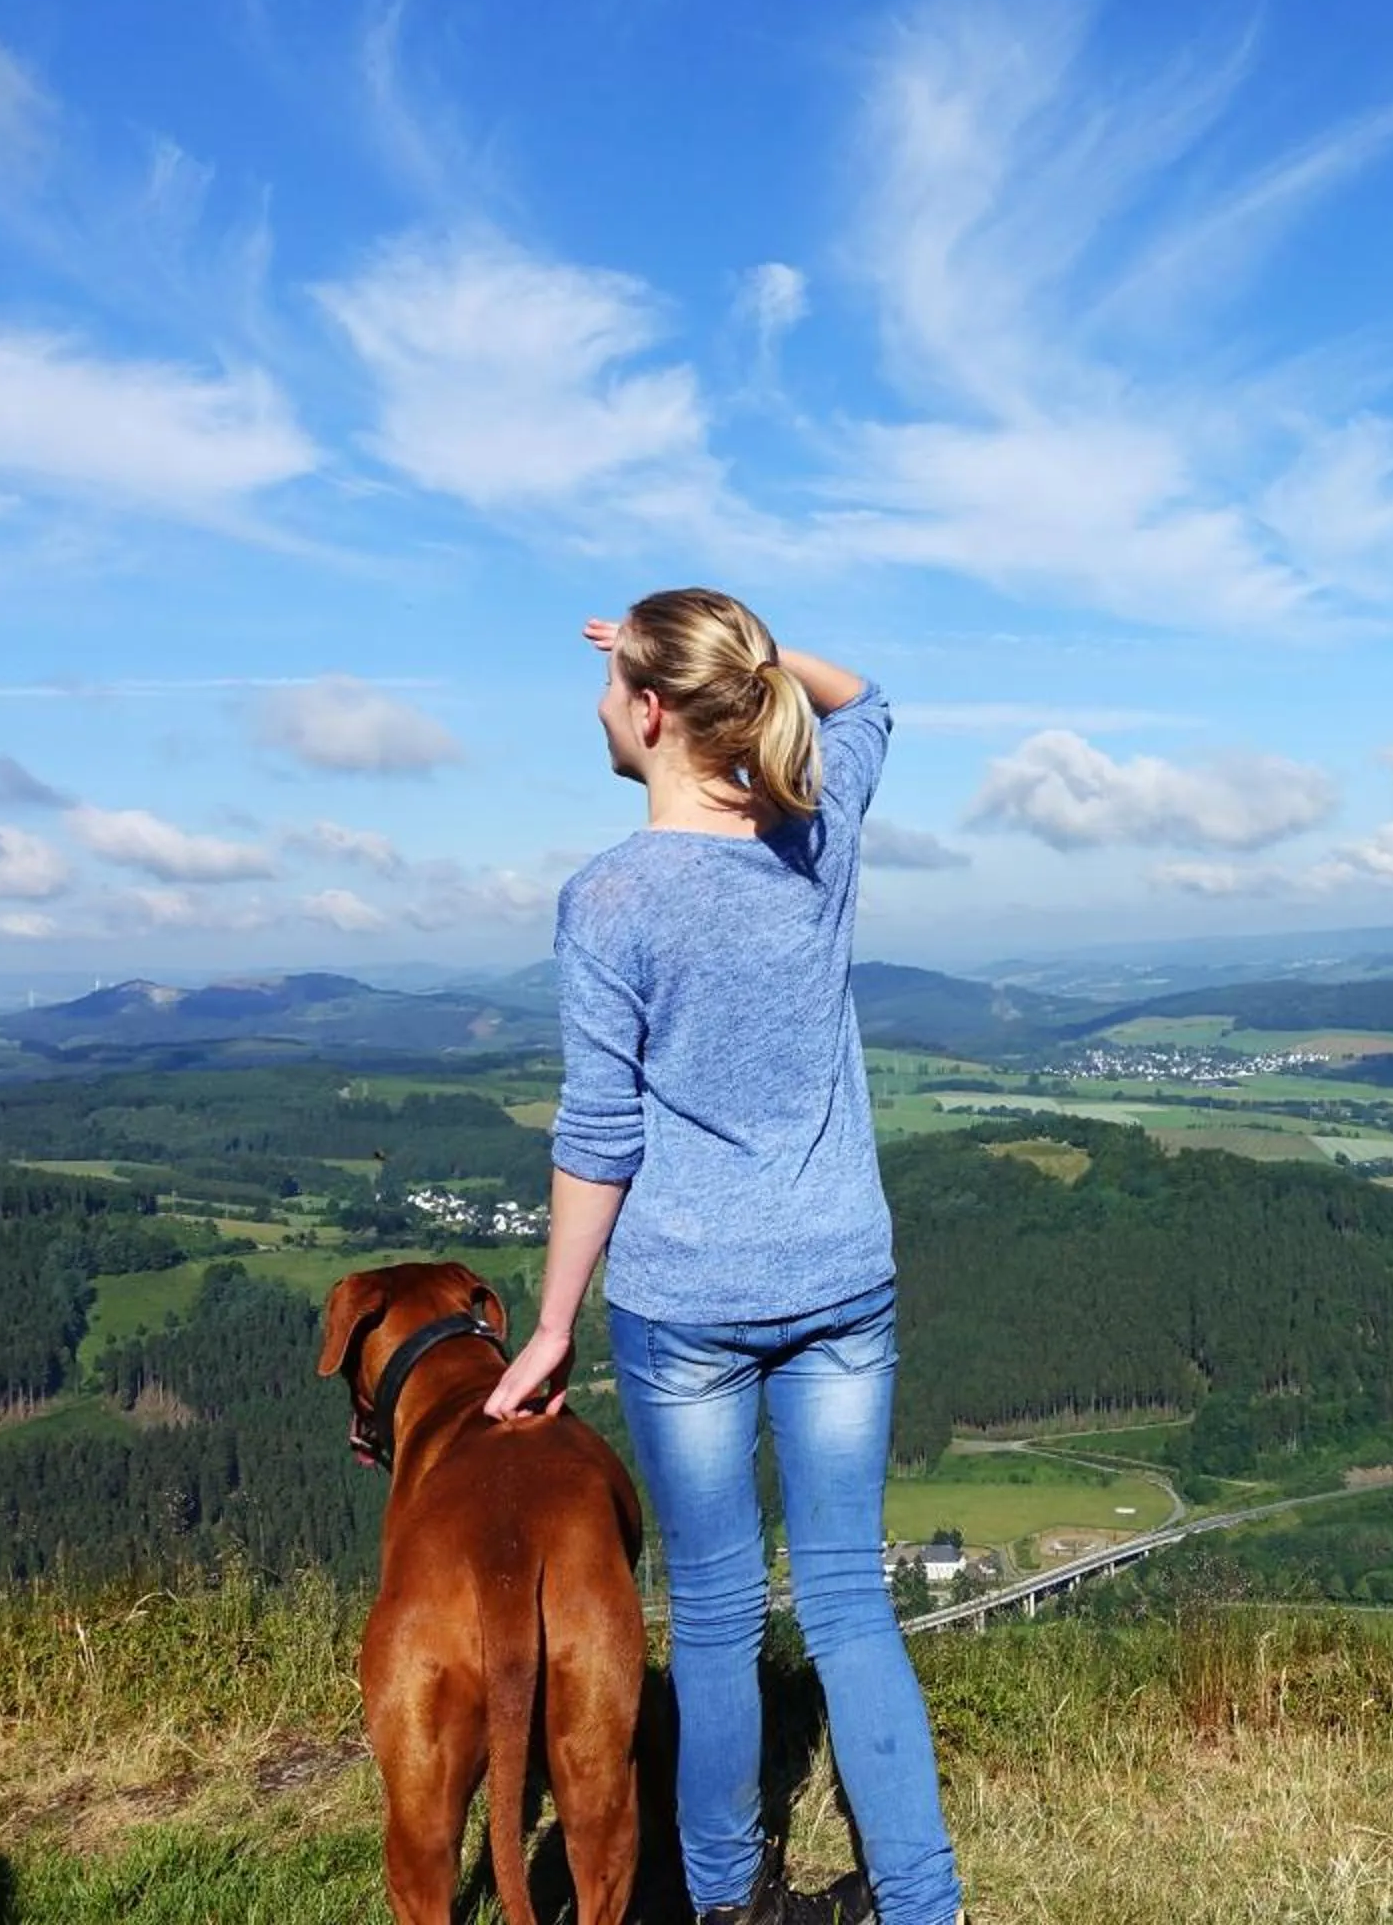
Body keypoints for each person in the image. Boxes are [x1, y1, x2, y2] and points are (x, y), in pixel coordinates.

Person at [484, 588, 964, 1925]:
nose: (594, 704)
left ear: (646, 715)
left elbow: (598, 1135)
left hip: (684, 1301)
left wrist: (549, 1325)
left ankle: (723, 1904)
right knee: (850, 1607)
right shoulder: (817, 837)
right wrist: (735, 648)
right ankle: (924, 1906)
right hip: (840, 1279)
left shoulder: (609, 897)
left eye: (612, 687)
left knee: (712, 1624)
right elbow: (867, 701)